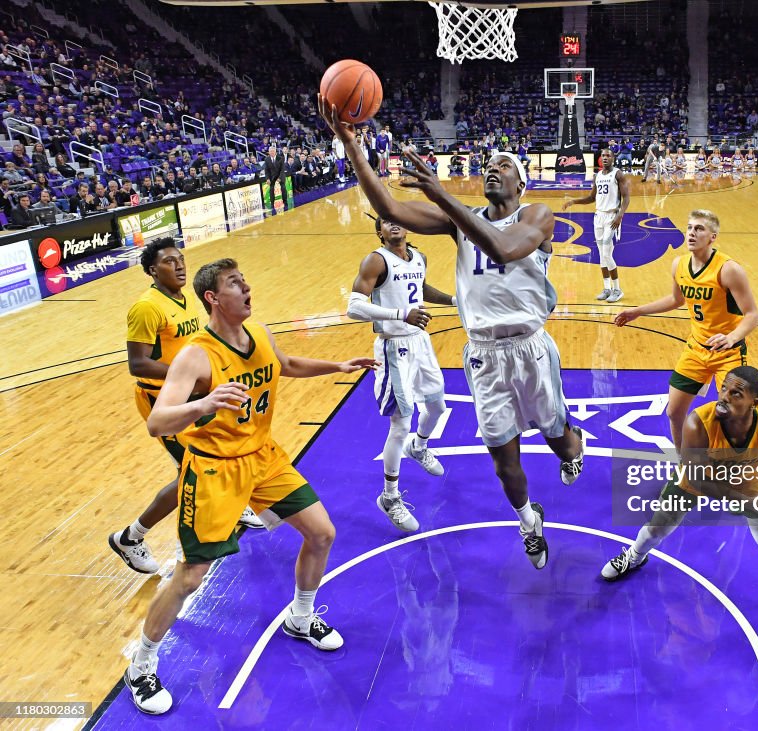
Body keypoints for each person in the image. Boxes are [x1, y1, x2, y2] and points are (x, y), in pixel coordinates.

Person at [321, 94, 585, 570]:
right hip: (484, 353)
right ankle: (529, 522)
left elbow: (505, 249)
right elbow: (388, 206)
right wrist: (351, 145)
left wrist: (441, 193)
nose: (493, 168)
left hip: (530, 347)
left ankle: (573, 448)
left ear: (521, 182)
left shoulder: (537, 216)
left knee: (558, 438)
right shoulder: (459, 220)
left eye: (503, 164)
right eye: (488, 163)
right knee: (503, 457)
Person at [123, 258, 378, 714]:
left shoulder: (259, 332)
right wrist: (204, 401)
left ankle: (301, 617)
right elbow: (157, 423)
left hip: (262, 458)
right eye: (234, 283)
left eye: (244, 278)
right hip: (214, 471)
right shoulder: (196, 355)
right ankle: (141, 664)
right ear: (213, 299)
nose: (246, 286)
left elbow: (288, 364)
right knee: (191, 576)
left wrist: (338, 364)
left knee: (321, 533)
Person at [599, 366, 758, 631]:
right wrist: (740, 501)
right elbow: (697, 478)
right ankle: (634, 557)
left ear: (754, 403)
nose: (724, 396)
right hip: (699, 477)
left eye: (736, 393)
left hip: (749, 480)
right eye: (723, 388)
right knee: (657, 527)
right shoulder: (698, 422)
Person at [109, 239, 263, 575]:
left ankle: (235, 505)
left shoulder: (180, 300)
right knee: (188, 475)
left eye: (180, 259)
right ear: (152, 270)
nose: (179, 265)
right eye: (168, 261)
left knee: (222, 448)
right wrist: (191, 378)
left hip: (191, 394)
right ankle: (130, 537)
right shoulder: (147, 307)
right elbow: (138, 364)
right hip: (161, 400)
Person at [614, 209, 758, 455]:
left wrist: (731, 337)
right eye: (690, 227)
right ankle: (685, 463)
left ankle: (743, 463)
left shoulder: (728, 269)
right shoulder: (678, 265)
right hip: (696, 350)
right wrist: (638, 310)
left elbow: (752, 315)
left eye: (699, 228)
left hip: (729, 353)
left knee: (736, 416)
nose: (692, 232)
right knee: (674, 411)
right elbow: (675, 299)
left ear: (712, 237)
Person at [346, 216, 455, 533]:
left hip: (420, 342)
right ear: (378, 230)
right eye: (385, 222)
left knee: (436, 407)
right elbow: (354, 307)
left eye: (396, 219)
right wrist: (400, 314)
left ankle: (419, 447)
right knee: (400, 423)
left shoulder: (419, 256)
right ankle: (389, 497)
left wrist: (452, 300)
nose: (392, 224)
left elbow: (419, 288)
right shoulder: (375, 261)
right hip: (394, 348)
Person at [562, 147, 631, 302]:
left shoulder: (618, 174)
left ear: (613, 158)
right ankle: (607, 288)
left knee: (607, 254)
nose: (605, 158)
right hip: (598, 217)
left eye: (608, 155)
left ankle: (617, 290)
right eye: (603, 155)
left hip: (612, 217)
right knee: (601, 255)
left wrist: (620, 215)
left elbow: (626, 197)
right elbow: (591, 198)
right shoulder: (598, 175)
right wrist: (574, 201)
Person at [262, 144, 286, 213]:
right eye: (270, 152)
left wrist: (279, 178)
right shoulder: (267, 159)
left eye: (273, 151)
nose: (272, 153)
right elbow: (267, 171)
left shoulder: (280, 158)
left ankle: (285, 201)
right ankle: (272, 203)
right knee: (271, 189)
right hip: (272, 177)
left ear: (275, 152)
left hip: (280, 176)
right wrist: (267, 179)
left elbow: (282, 170)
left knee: (283, 187)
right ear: (269, 152)